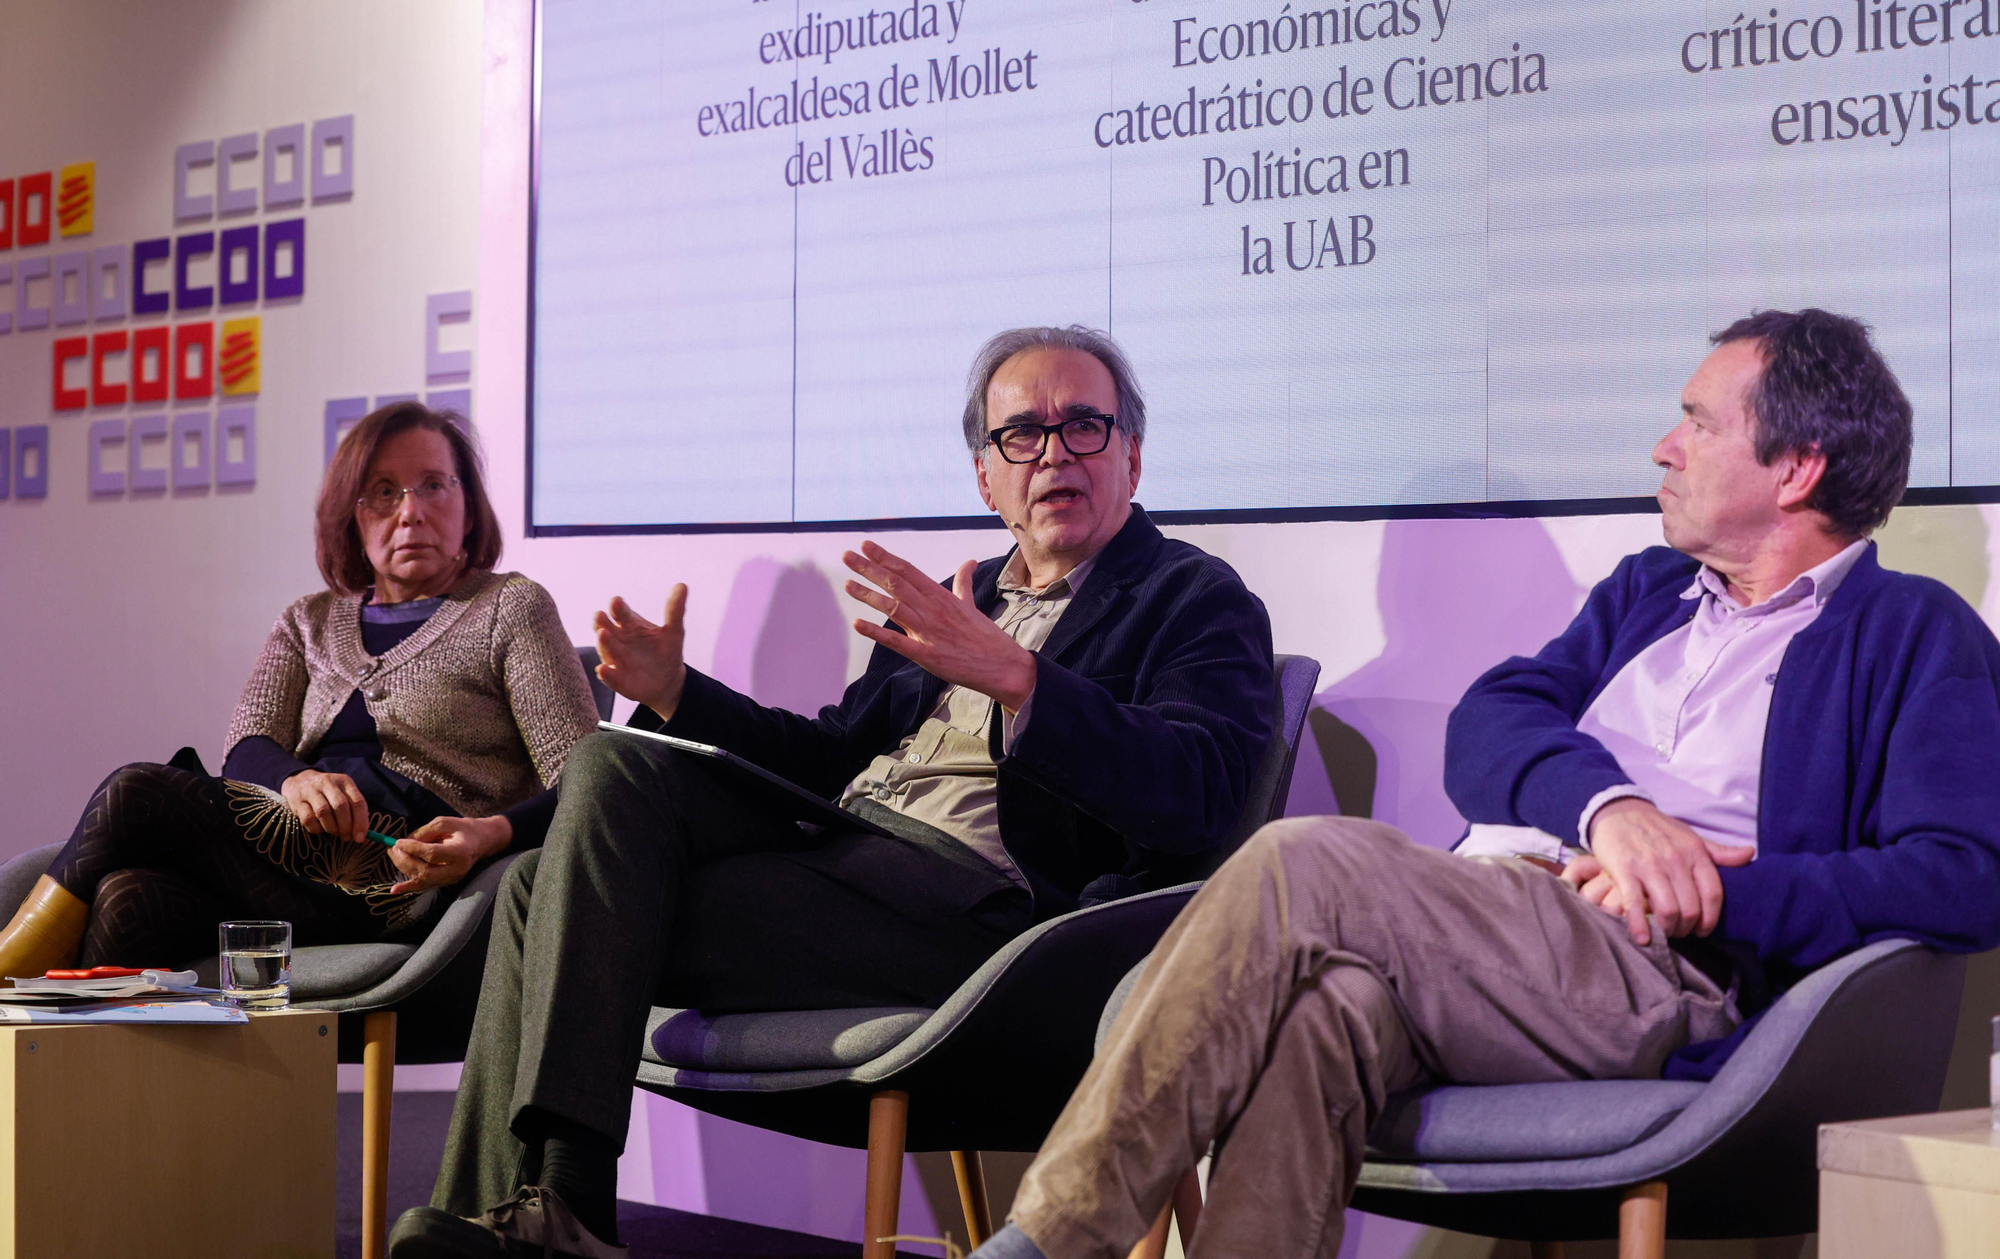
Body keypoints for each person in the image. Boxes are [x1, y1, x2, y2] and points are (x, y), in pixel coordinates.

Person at [964, 309, 2000, 1259]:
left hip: (1659, 967)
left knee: (1301, 857)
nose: (1661, 446)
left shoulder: (1911, 632)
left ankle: (1051, 1240)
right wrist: (1614, 809)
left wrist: (1723, 890)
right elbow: (1490, 722)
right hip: (1489, 934)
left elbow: (1958, 876)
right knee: (1323, 1016)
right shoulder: (1649, 592)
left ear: (1795, 465)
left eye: (1696, 421)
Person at [389, 326, 1277, 1259]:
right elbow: (827, 758)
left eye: (1085, 426)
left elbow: (1202, 791)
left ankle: (562, 1215)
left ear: (1131, 454)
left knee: (556, 894)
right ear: (987, 477)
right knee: (585, 808)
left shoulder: (1193, 598)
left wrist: (1023, 680)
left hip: (987, 927)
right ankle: (530, 1222)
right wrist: (677, 695)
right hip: (845, 865)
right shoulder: (960, 597)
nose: (1054, 451)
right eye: (1023, 434)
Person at [0, 402, 600, 976]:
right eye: (384, 491)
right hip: (291, 859)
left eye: (434, 485)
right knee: (128, 899)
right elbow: (247, 747)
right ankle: (80, 1081)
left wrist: (491, 833)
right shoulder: (306, 620)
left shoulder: (511, 607)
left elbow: (589, 780)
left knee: (138, 791)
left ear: (469, 506)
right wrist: (296, 780)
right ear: (353, 516)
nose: (411, 511)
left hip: (407, 875)